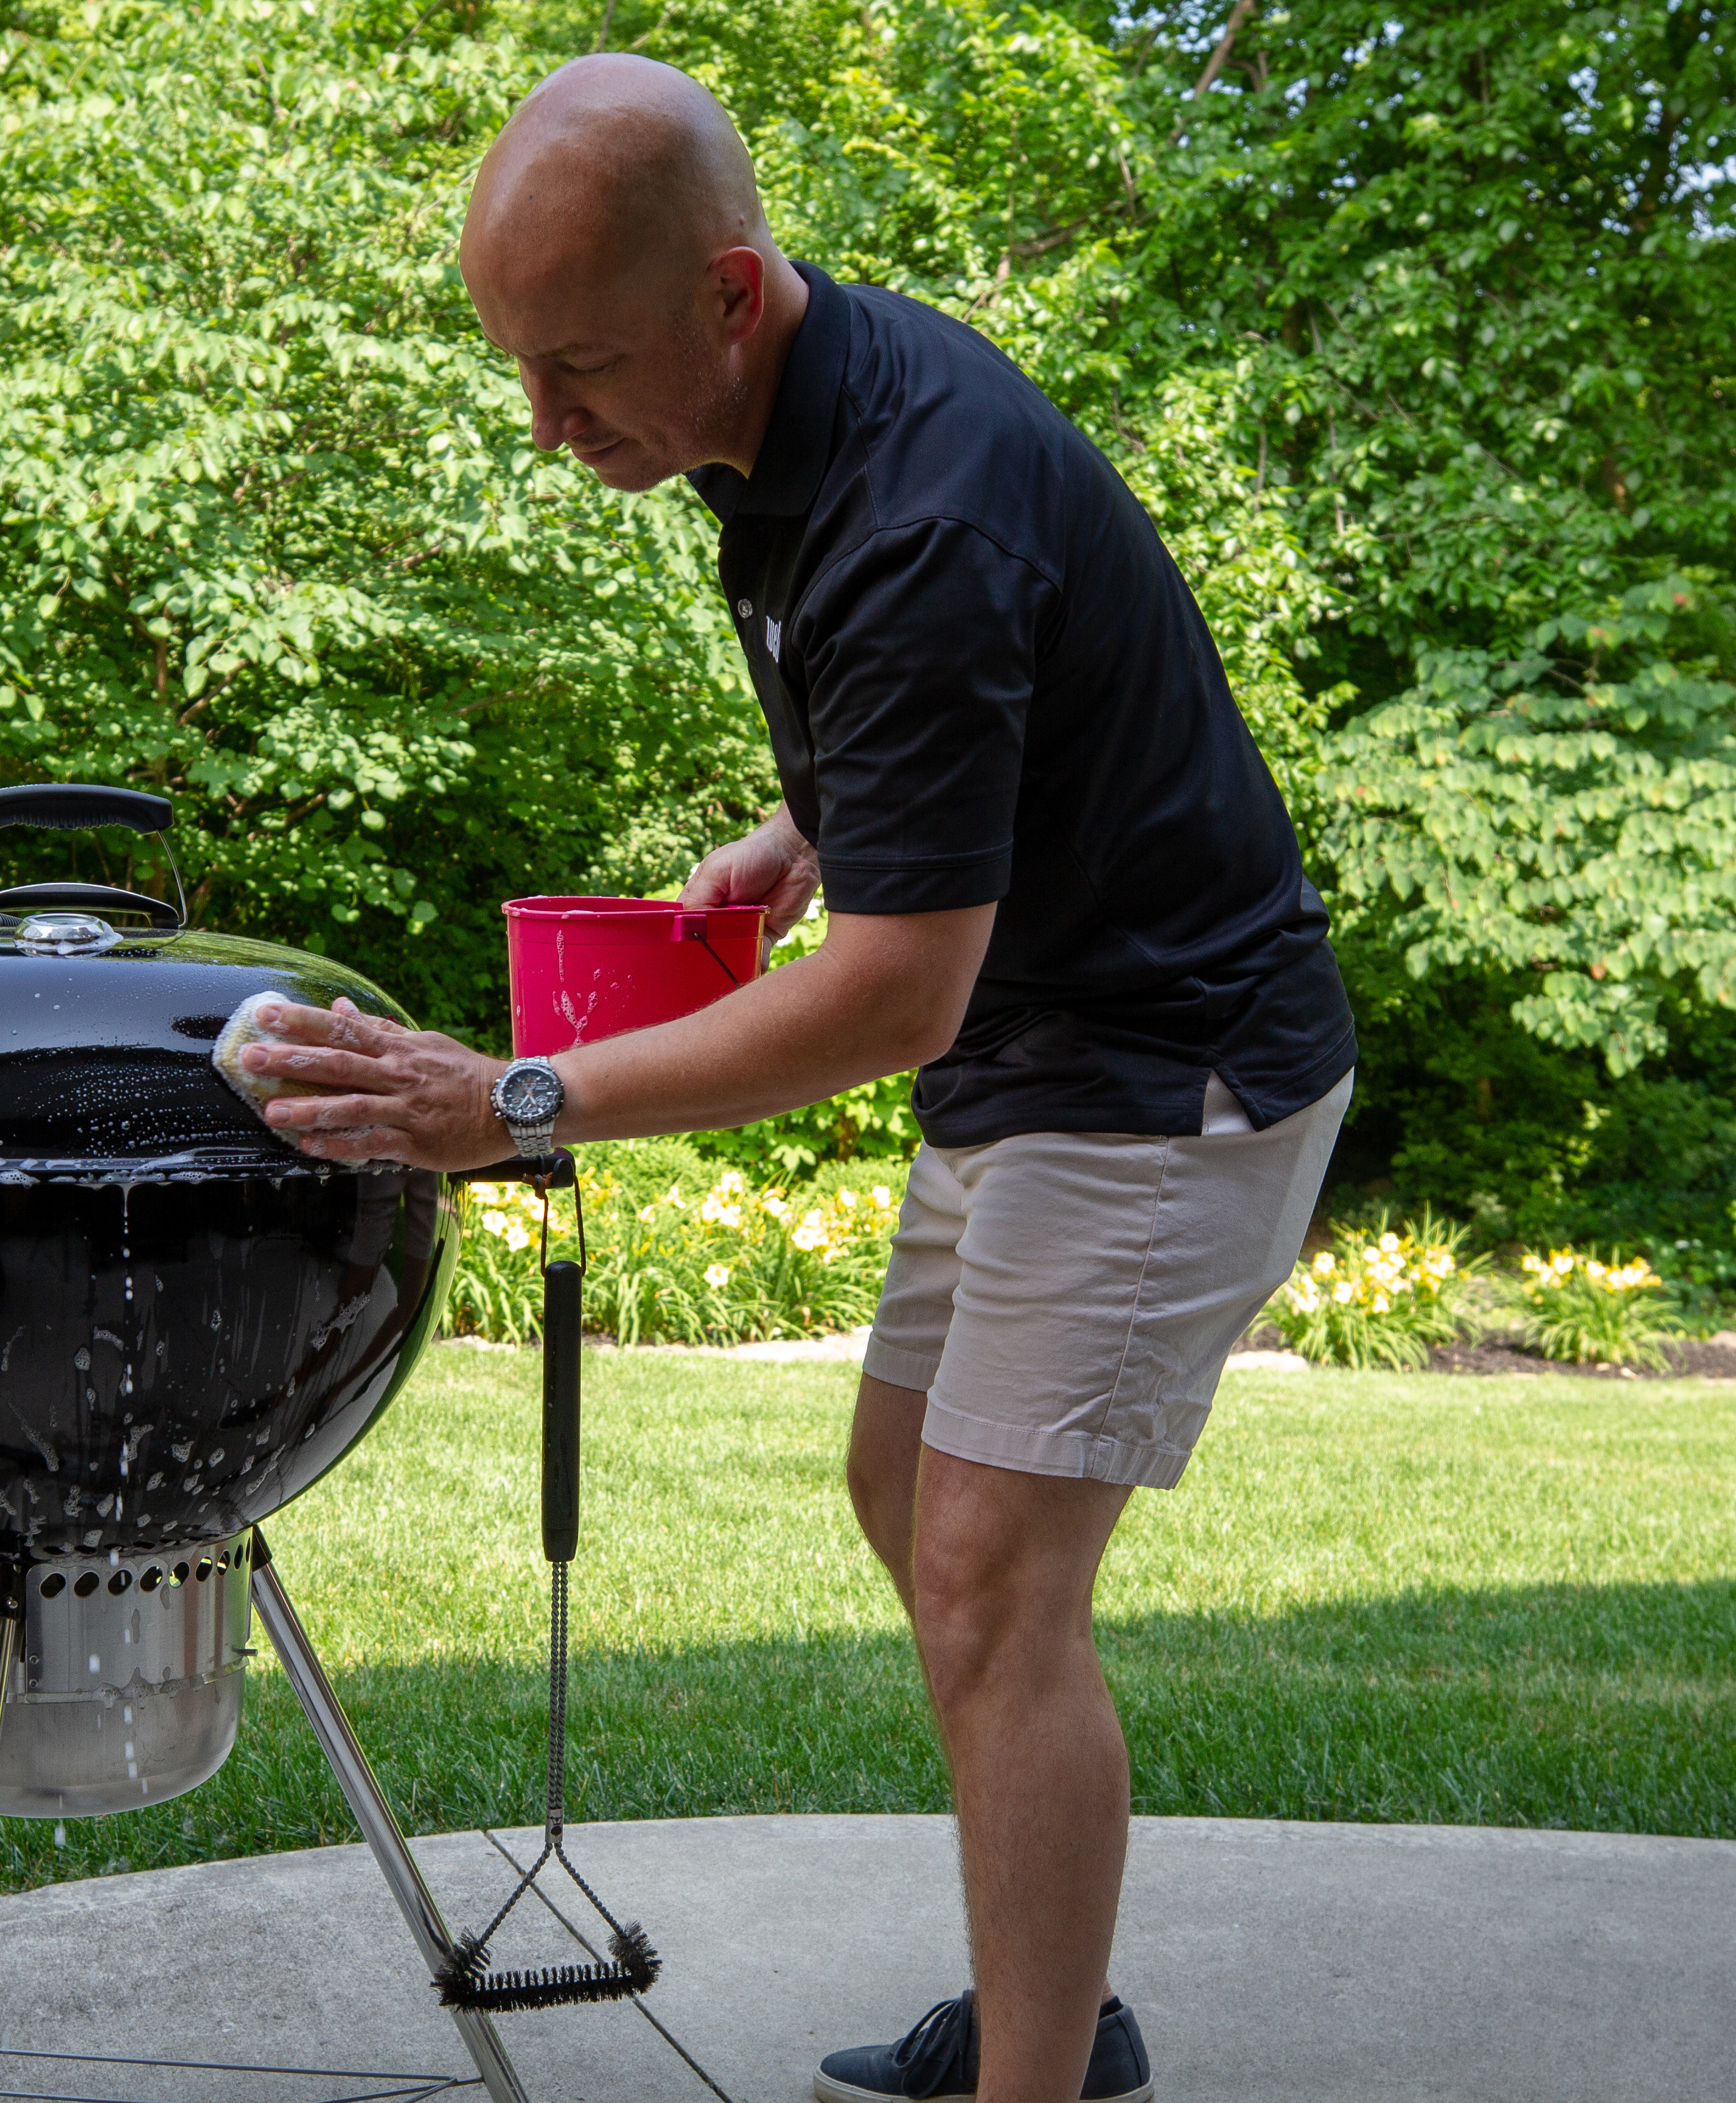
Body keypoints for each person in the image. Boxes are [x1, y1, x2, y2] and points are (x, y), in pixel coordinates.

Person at [234, 53, 1357, 2103]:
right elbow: (989, 743)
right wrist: (824, 826)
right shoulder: (783, 429)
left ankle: (1043, 2079)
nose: (547, 424)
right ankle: (1057, 2005)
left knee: (992, 1583)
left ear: (731, 295)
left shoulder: (915, 510)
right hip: (1043, 1050)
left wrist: (519, 1104)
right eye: (521, 366)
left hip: (1157, 1070)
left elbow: (889, 1006)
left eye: (579, 367)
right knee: (905, 1499)